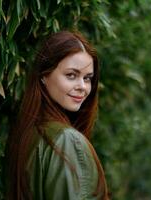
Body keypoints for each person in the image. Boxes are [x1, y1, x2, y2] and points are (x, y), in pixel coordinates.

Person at [6, 30, 109, 200]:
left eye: (88, 78)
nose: (82, 86)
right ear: (44, 76)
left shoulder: (27, 132)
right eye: (71, 75)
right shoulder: (67, 140)